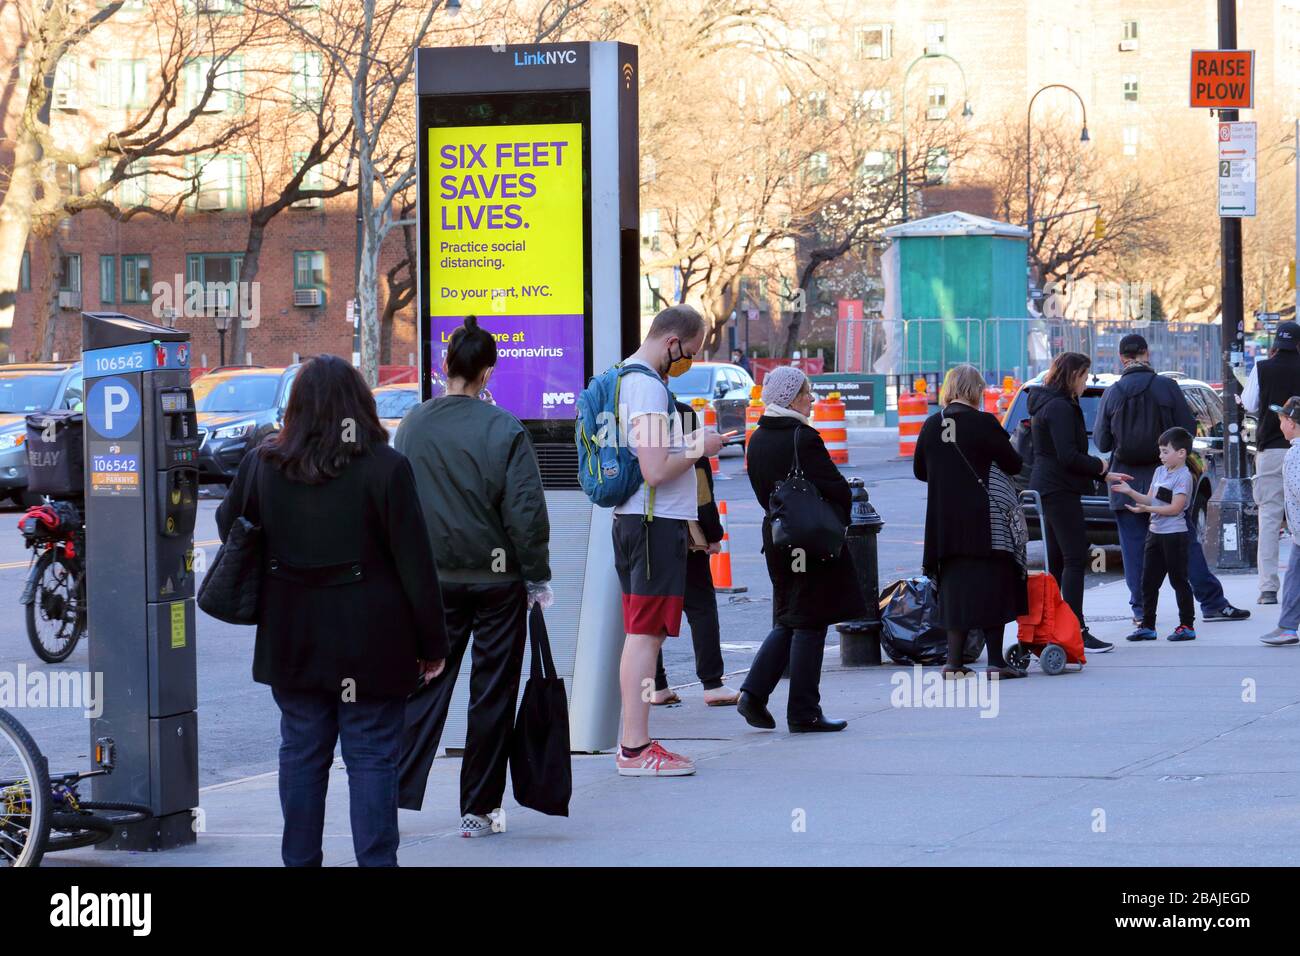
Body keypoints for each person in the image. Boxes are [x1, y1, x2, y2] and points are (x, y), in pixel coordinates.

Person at [216, 355, 449, 867]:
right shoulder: (386, 467)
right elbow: (416, 564)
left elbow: (230, 524)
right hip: (372, 642)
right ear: (359, 406)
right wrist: (433, 644)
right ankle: (375, 862)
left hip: (292, 637)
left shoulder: (264, 462)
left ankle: (299, 861)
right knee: (371, 758)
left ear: (296, 408)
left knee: (302, 753)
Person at [395, 315, 552, 837]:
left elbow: (398, 506)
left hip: (433, 581)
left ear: (445, 366)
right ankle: (477, 809)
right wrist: (536, 576)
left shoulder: (413, 424)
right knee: (491, 692)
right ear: (488, 373)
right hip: (496, 582)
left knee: (423, 684)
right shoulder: (504, 428)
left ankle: (391, 789)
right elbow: (525, 513)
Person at [612, 304, 726, 776]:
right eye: (691, 352)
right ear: (671, 342)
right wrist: (702, 445)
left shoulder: (626, 378)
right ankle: (635, 747)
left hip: (638, 521)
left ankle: (635, 743)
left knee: (644, 635)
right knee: (645, 637)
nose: (689, 362)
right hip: (652, 523)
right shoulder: (647, 386)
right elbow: (655, 469)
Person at [736, 365, 865, 732]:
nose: (812, 400)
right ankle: (803, 711)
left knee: (792, 617)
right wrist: (838, 514)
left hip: (777, 538)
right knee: (810, 622)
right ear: (792, 398)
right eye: (807, 394)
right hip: (809, 540)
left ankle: (754, 694)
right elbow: (835, 486)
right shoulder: (802, 438)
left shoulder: (757, 438)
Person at [1094, 333, 1249, 626]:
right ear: (1146, 352)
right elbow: (1186, 430)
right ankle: (1212, 602)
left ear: (1121, 357)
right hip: (1166, 478)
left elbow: (1102, 441)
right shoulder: (1166, 387)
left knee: (1135, 550)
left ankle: (1141, 611)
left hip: (1124, 482)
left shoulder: (1112, 393)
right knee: (1184, 543)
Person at [914, 364, 1028, 678]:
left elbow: (920, 471)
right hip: (985, 524)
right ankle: (995, 663)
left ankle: (953, 663)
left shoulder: (931, 425)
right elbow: (1014, 463)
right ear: (973, 391)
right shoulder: (984, 424)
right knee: (994, 587)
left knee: (954, 592)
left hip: (944, 525)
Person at [1026, 352, 1130, 653]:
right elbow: (1067, 455)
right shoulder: (1059, 407)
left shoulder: (1048, 402)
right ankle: (1076, 629)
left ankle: (1055, 628)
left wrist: (1103, 474)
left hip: (1049, 486)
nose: (1087, 382)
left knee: (1058, 560)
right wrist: (1102, 468)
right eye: (1085, 376)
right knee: (1074, 557)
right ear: (1072, 375)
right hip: (1058, 488)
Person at [650, 398, 739, 707]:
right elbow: (701, 490)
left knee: (651, 612)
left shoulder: (632, 419)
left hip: (642, 531)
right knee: (700, 605)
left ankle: (657, 686)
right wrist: (713, 534)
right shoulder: (683, 419)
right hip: (684, 530)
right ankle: (712, 684)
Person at [1113, 428, 1198, 642]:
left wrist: (1146, 511)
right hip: (1155, 533)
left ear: (1181, 453)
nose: (1161, 456)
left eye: (1165, 451)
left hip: (1174, 535)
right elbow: (1150, 500)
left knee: (1179, 581)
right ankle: (1147, 625)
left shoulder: (1184, 476)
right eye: (1160, 451)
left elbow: (1175, 508)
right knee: (1148, 582)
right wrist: (1130, 492)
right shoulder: (1160, 472)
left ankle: (1187, 625)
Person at [1243, 321, 1300, 604]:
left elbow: (1249, 402)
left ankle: (1268, 588)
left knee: (1269, 518)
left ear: (1276, 343)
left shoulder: (1262, 368)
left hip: (1271, 450)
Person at [1261, 397, 1300, 646]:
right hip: (1298, 534)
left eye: (1283, 421)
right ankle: (1287, 626)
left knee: (1294, 580)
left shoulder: (1295, 454)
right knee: (1293, 580)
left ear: (1293, 423)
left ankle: (1287, 627)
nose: (1280, 427)